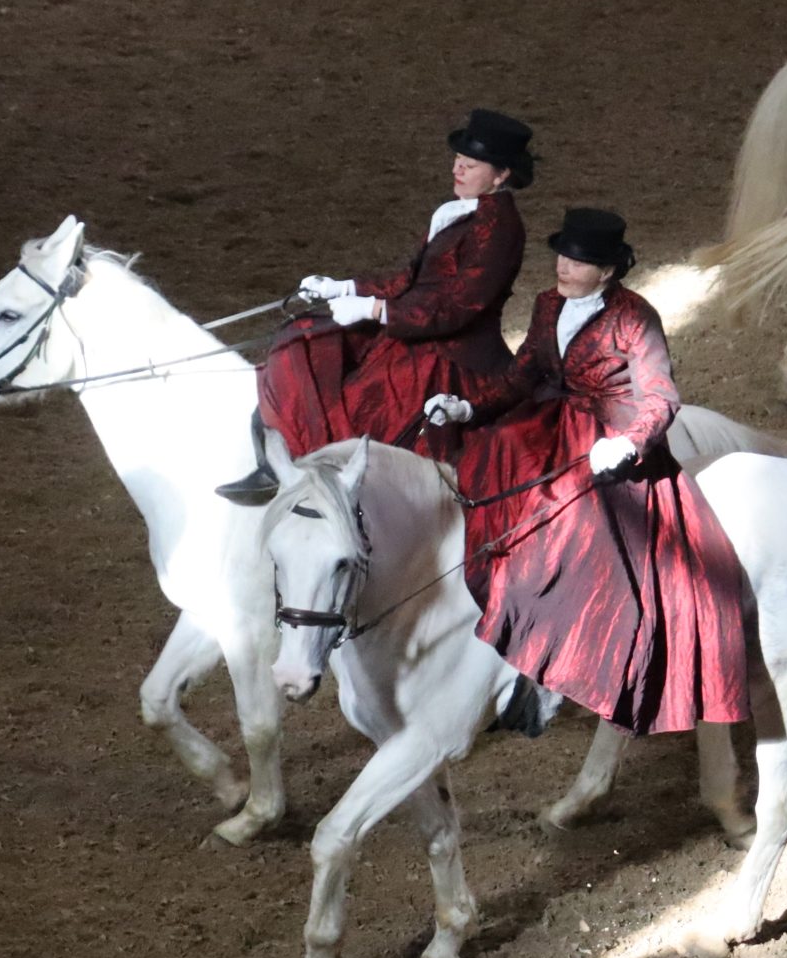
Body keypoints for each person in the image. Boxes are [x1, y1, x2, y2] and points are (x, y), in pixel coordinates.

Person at [421, 209, 749, 736]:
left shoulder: (634, 316)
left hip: (610, 439)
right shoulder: (548, 304)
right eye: (563, 256)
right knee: (493, 456)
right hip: (551, 423)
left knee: (581, 536)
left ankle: (567, 660)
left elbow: (661, 397)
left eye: (580, 261)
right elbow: (523, 372)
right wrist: (468, 408)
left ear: (607, 272)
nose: (565, 267)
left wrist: (627, 445)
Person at [214, 109, 533, 506]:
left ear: (501, 175)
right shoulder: (461, 209)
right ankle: (285, 464)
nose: (458, 168)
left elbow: (457, 307)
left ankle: (318, 482)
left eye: (470, 164)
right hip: (413, 332)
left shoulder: (498, 228)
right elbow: (412, 280)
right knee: (306, 339)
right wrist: (344, 287)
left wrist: (376, 311)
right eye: (458, 160)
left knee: (360, 407)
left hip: (449, 356)